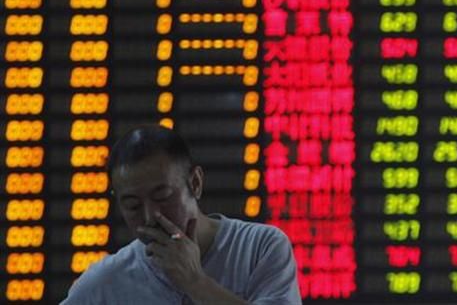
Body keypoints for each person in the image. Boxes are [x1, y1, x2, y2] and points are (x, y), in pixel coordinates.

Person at [61, 125, 302, 305]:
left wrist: (195, 281)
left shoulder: (260, 247)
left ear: (195, 183)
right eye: (133, 206)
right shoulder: (105, 283)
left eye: (162, 196)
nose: (150, 216)